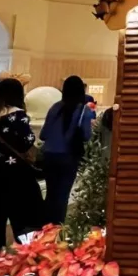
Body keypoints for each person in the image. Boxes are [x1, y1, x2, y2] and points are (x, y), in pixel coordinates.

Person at [0, 78, 43, 257]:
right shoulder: (18, 115)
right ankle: (27, 260)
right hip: (16, 176)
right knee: (25, 221)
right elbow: (26, 142)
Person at [40, 76, 95, 225]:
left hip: (49, 155)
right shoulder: (84, 110)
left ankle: (45, 227)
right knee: (62, 196)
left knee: (50, 194)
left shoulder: (54, 107)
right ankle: (57, 229)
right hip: (69, 156)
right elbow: (86, 135)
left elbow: (43, 135)